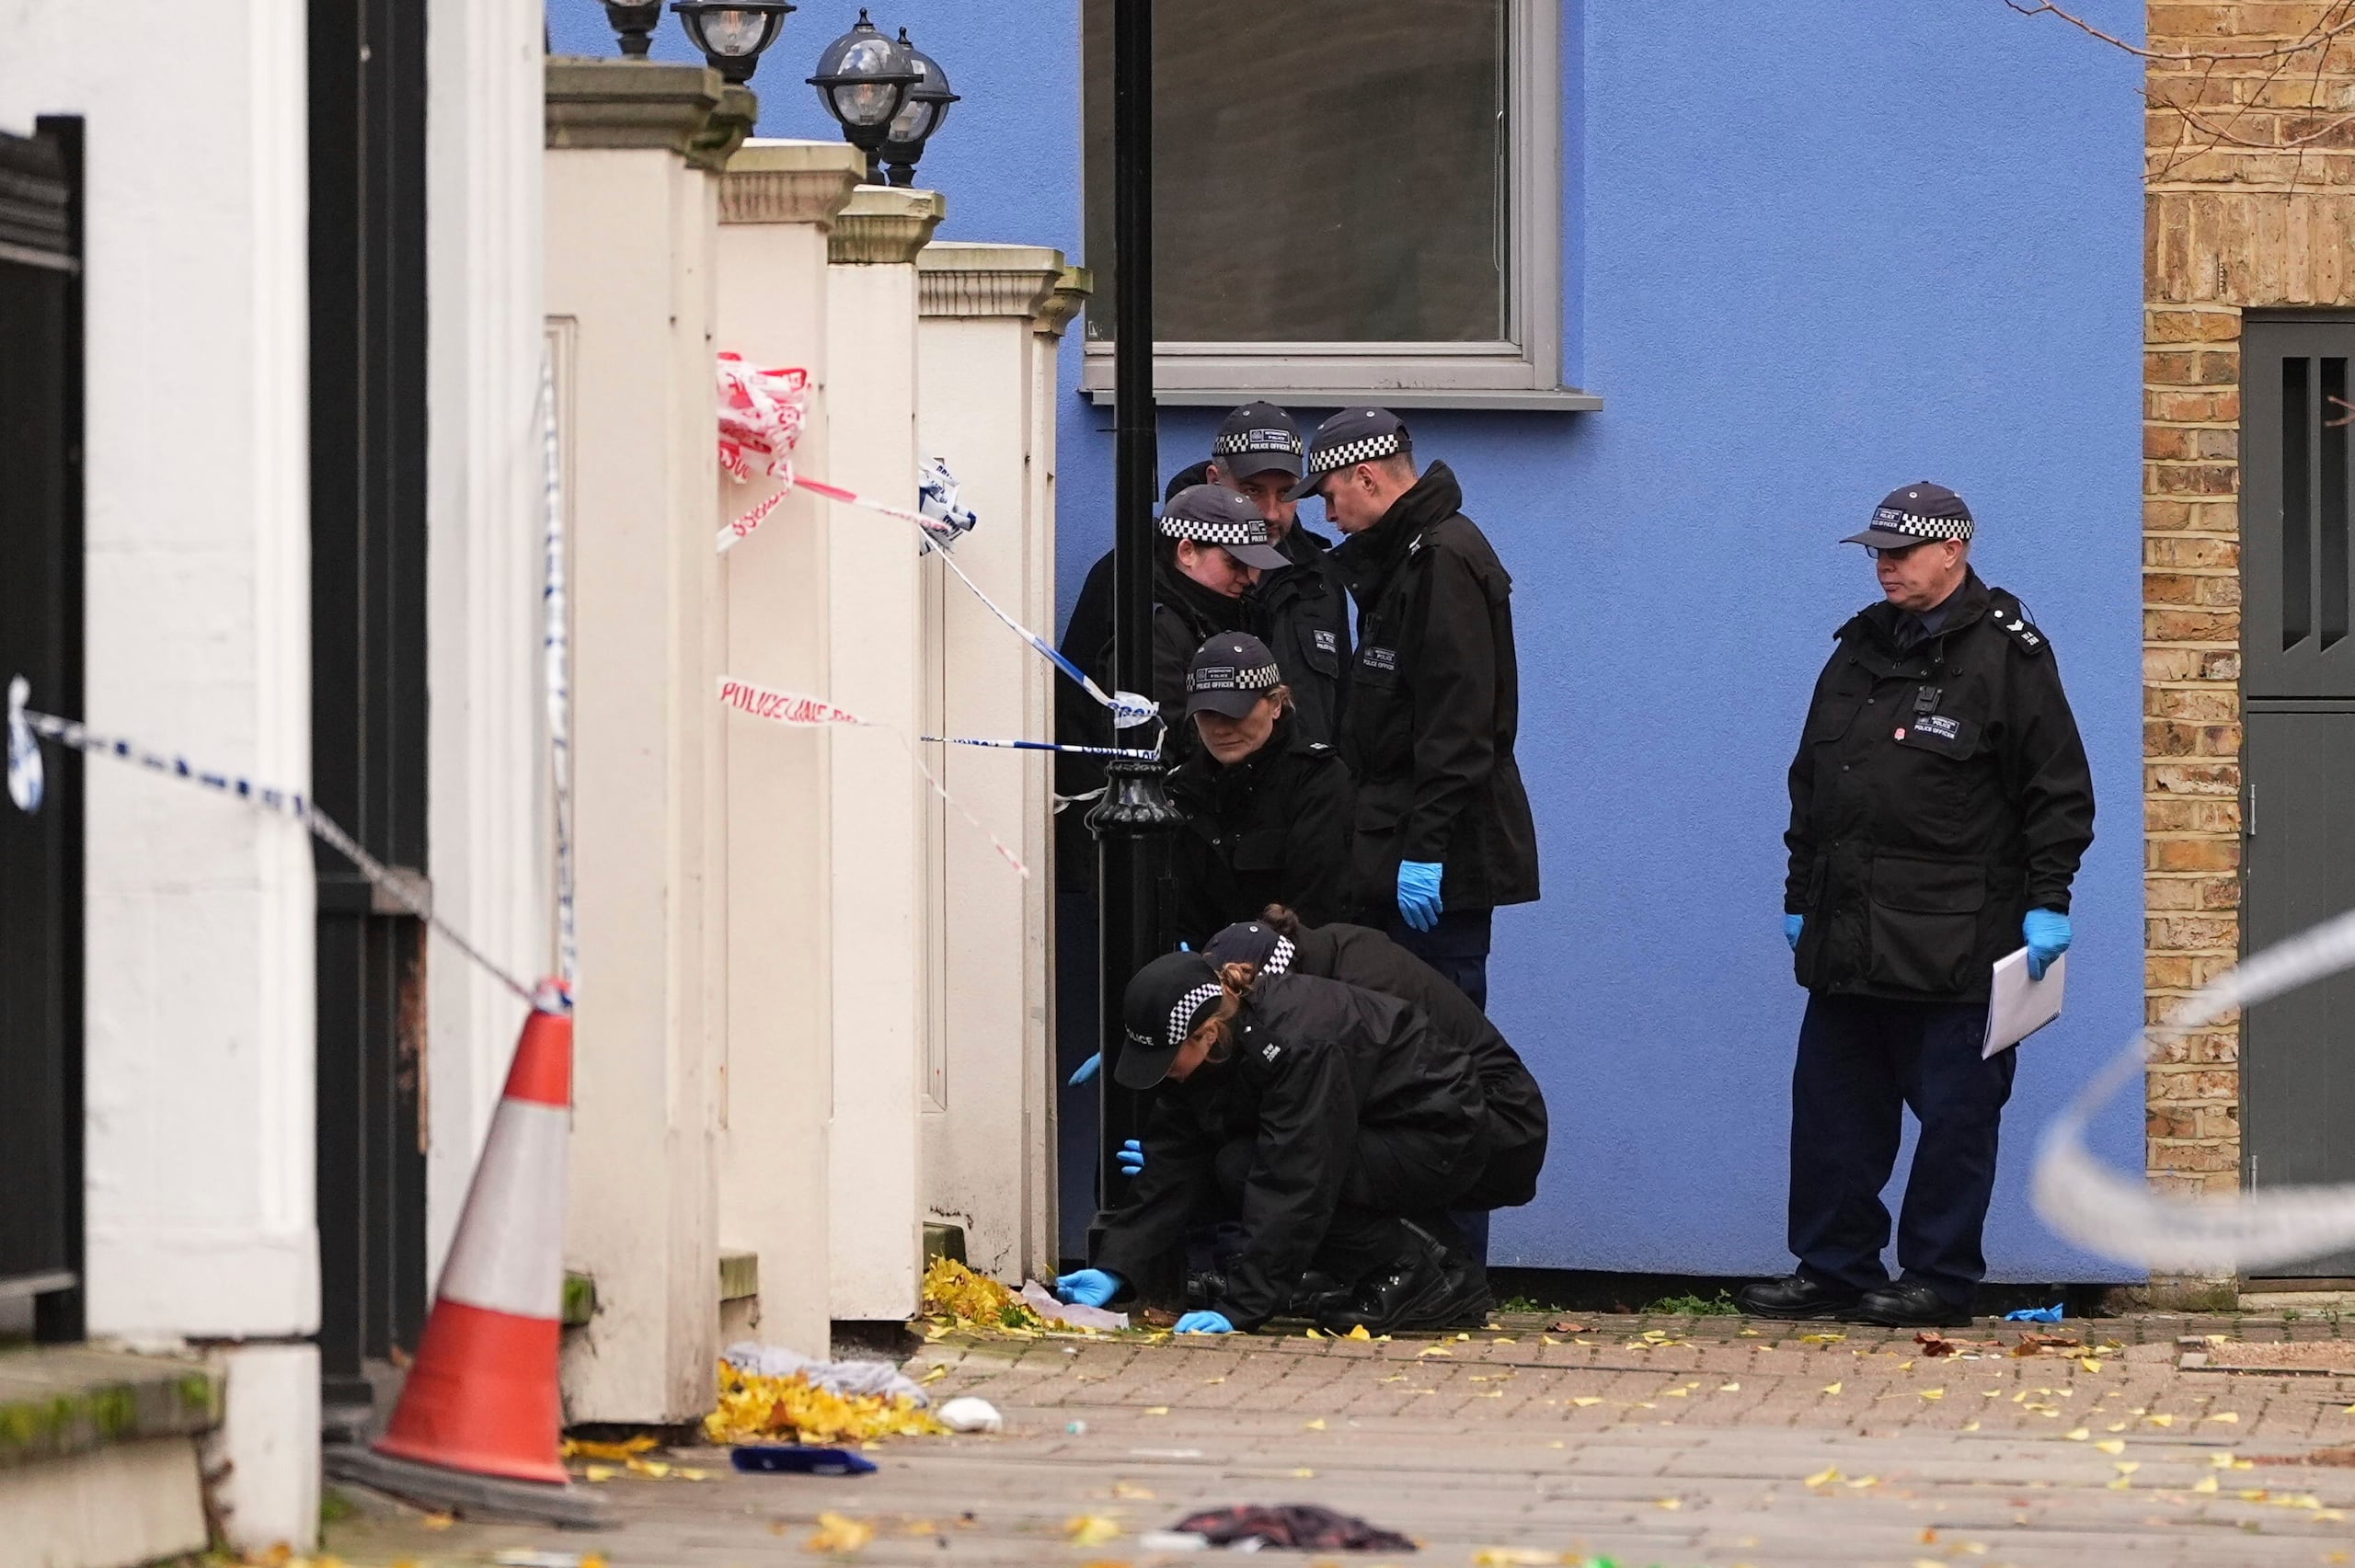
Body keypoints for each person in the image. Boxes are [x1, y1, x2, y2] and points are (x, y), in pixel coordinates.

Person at [1739, 481, 2095, 1330]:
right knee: (1832, 1114)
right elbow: (1812, 786)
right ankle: (1832, 1267)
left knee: (1955, 1120)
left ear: (1954, 550)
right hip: (1848, 927)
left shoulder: (2009, 655)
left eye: (1899, 552)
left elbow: (2059, 794)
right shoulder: (1859, 647)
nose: (1885, 567)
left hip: (1957, 938)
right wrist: (1800, 897)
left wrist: (2048, 901)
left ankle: (1937, 1276)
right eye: (1876, 553)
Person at [1055, 950, 1492, 1336]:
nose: (1161, 1072)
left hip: (1437, 1134)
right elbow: (1172, 1163)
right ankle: (1398, 1264)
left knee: (1251, 1169)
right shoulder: (1210, 1050)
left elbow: (1295, 1180)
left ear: (1207, 1034)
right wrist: (1117, 1265)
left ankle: (1428, 1270)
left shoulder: (1299, 1042)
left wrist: (1242, 1307)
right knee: (1235, 1165)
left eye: (1166, 1061)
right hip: (1374, 1124)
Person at [1293, 407, 1539, 1008]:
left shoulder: (1441, 561)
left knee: (1437, 1050)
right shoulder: (1409, 559)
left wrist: (1426, 852)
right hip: (1400, 849)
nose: (1329, 517)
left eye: (1329, 497)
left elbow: (1458, 726)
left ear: (1367, 478)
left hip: (1435, 867)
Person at [1165, 404, 1353, 741]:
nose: (1270, 512)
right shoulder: (1148, 572)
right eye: (1251, 490)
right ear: (1214, 480)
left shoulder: (1319, 578)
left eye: (1286, 493)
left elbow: (1344, 709)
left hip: (1309, 790)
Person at [1166, 633, 1354, 948]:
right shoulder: (1180, 791)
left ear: (1276, 705)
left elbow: (1317, 911)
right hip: (1204, 975)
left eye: (1235, 711)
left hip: (1295, 976)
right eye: (1208, 713)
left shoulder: (1316, 781)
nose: (1221, 728)